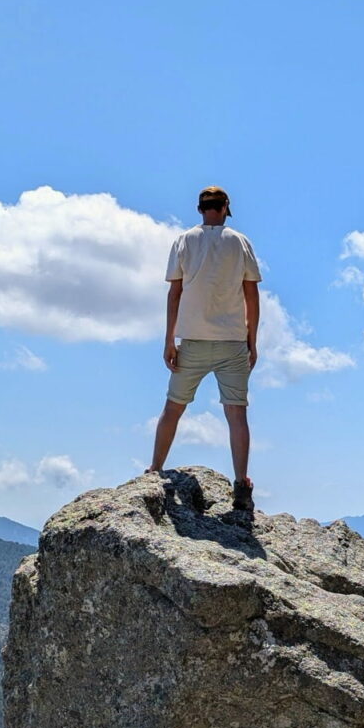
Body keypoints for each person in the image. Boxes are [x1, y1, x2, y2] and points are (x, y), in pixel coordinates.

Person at [146, 186, 261, 512]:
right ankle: (242, 485)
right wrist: (252, 338)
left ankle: (155, 469)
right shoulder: (239, 242)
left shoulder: (185, 241)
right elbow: (251, 294)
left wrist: (170, 339)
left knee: (173, 407)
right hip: (232, 340)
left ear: (200, 209)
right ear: (226, 208)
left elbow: (175, 294)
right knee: (236, 413)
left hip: (193, 339)